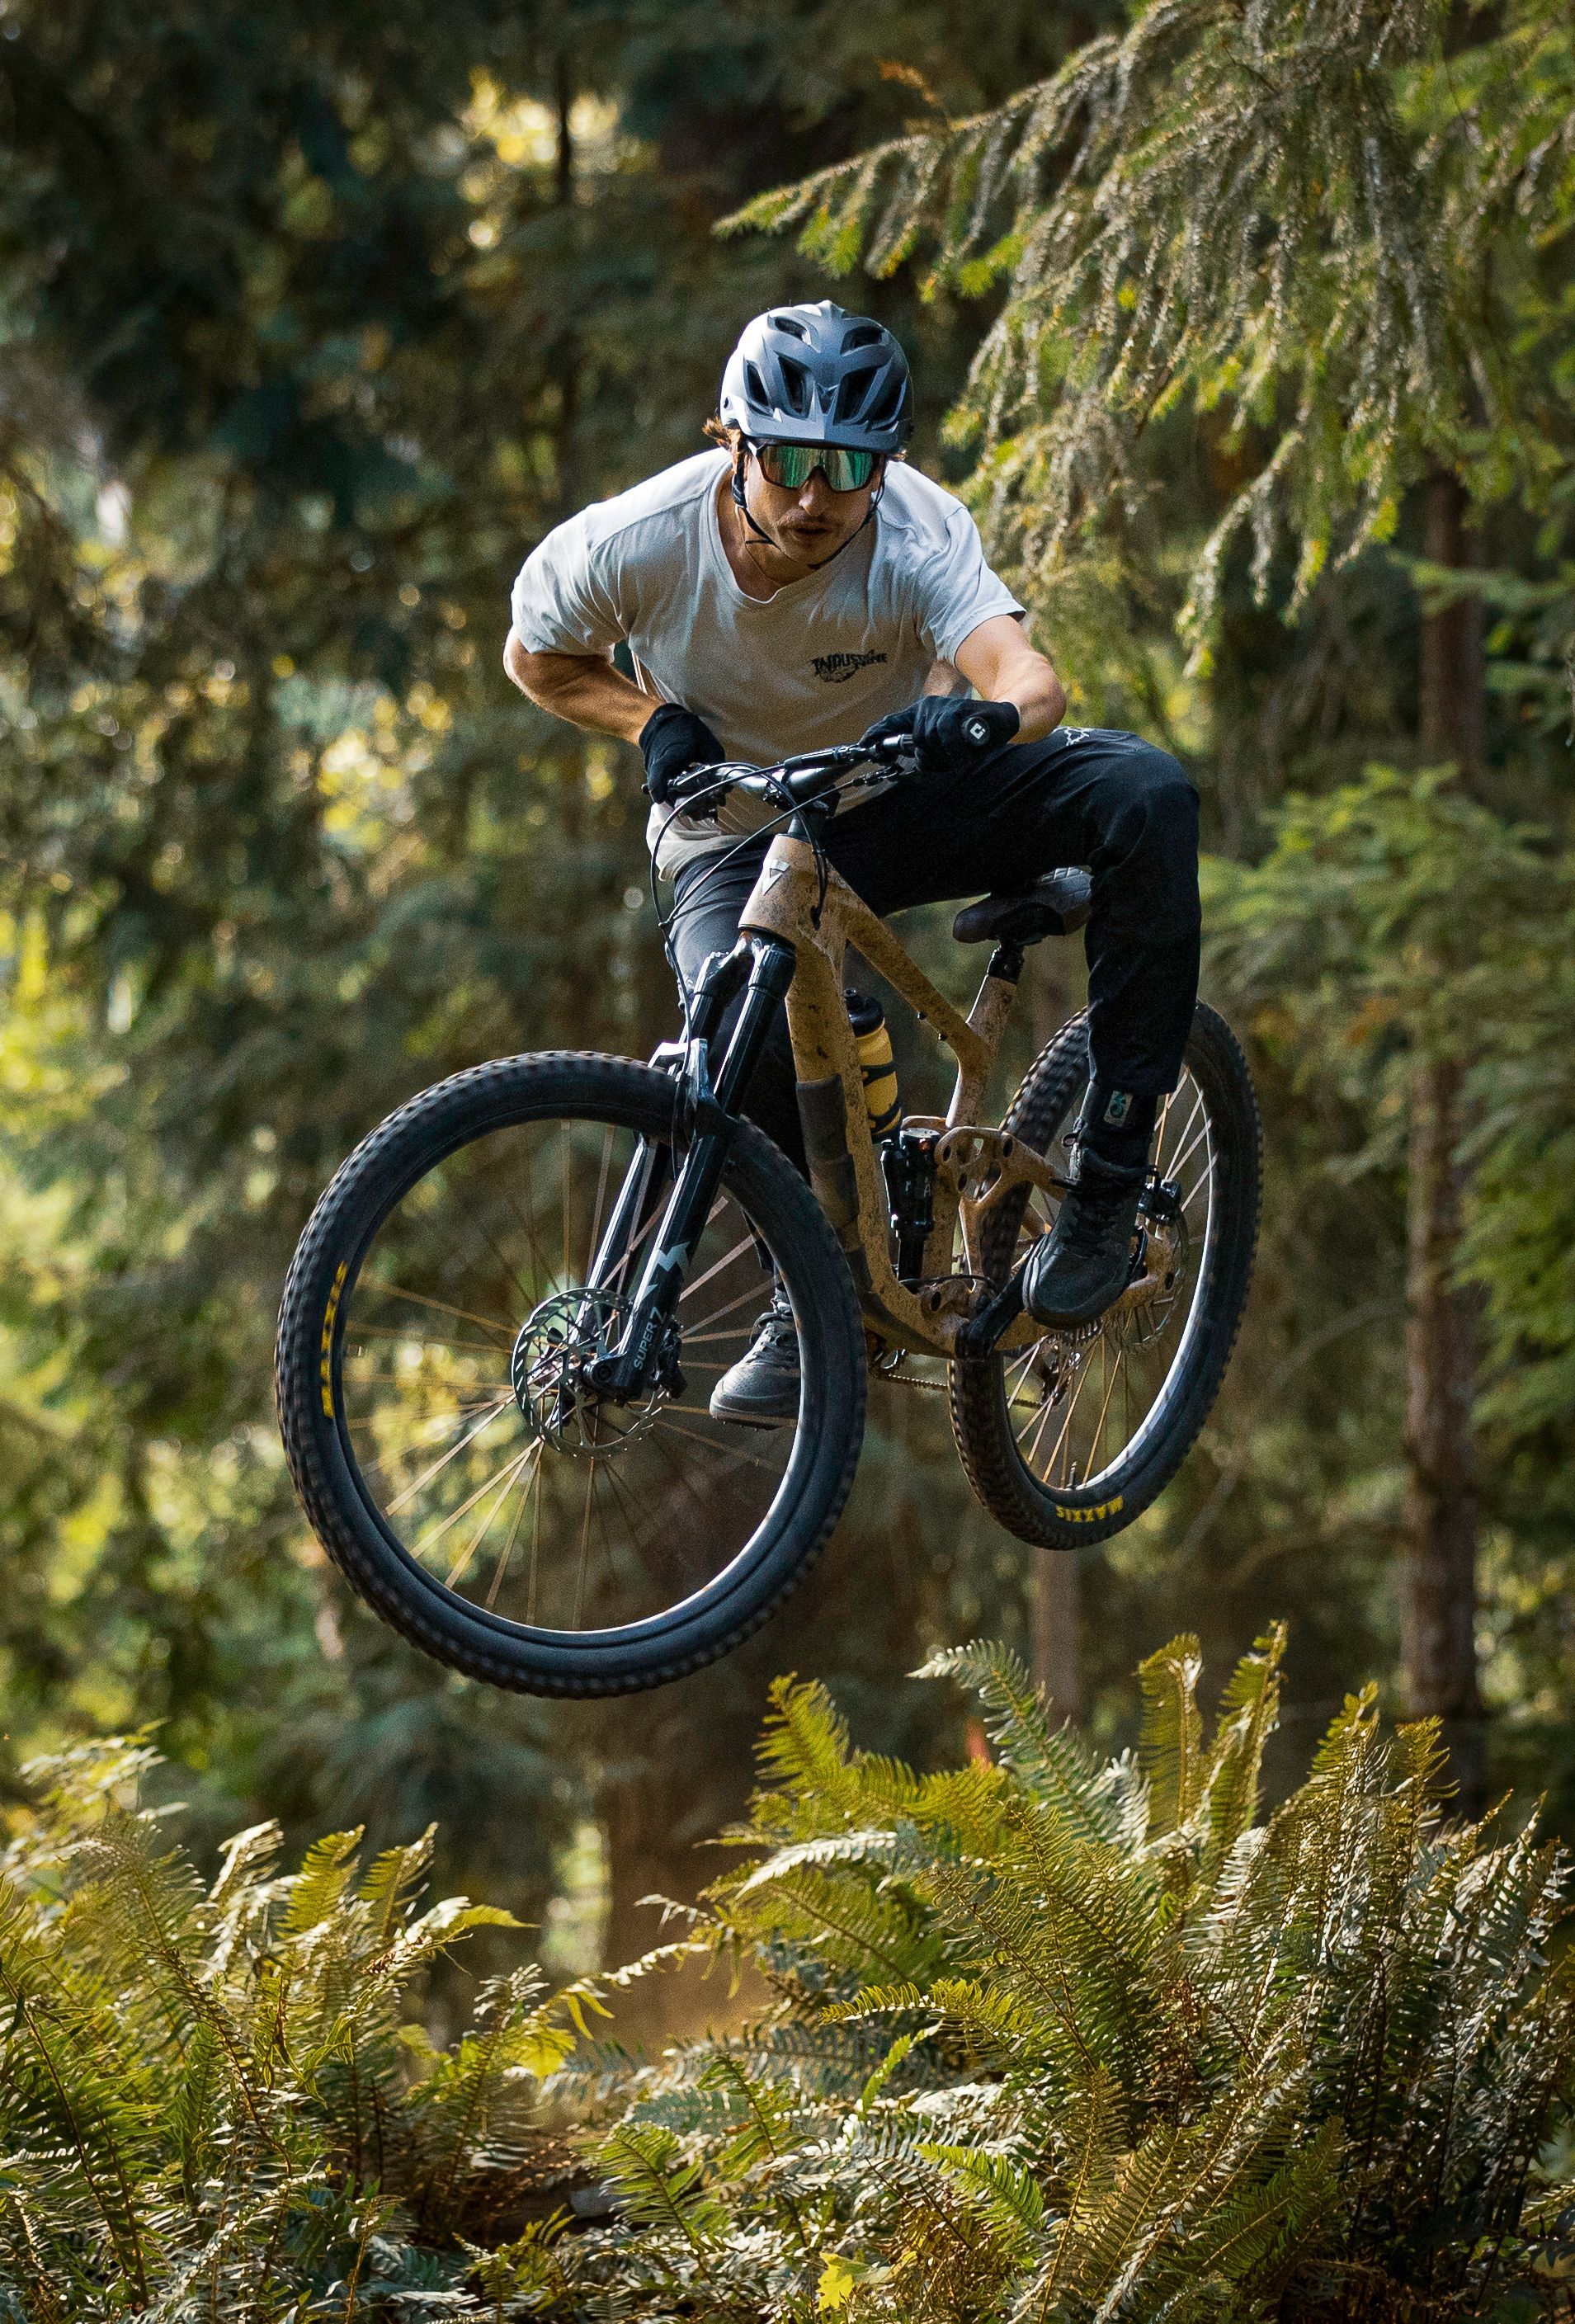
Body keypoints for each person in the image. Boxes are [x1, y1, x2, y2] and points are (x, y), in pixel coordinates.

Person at [505, 301, 1200, 1423]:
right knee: (743, 1017)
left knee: (1145, 793)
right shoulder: (639, 539)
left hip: (890, 796)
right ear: (729, 441)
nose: (816, 496)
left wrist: (973, 726)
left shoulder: (916, 534)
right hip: (728, 825)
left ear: (886, 466)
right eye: (786, 460)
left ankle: (1106, 1192)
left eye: (848, 465)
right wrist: (647, 722)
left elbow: (1027, 679)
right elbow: (535, 653)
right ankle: (815, 1289)